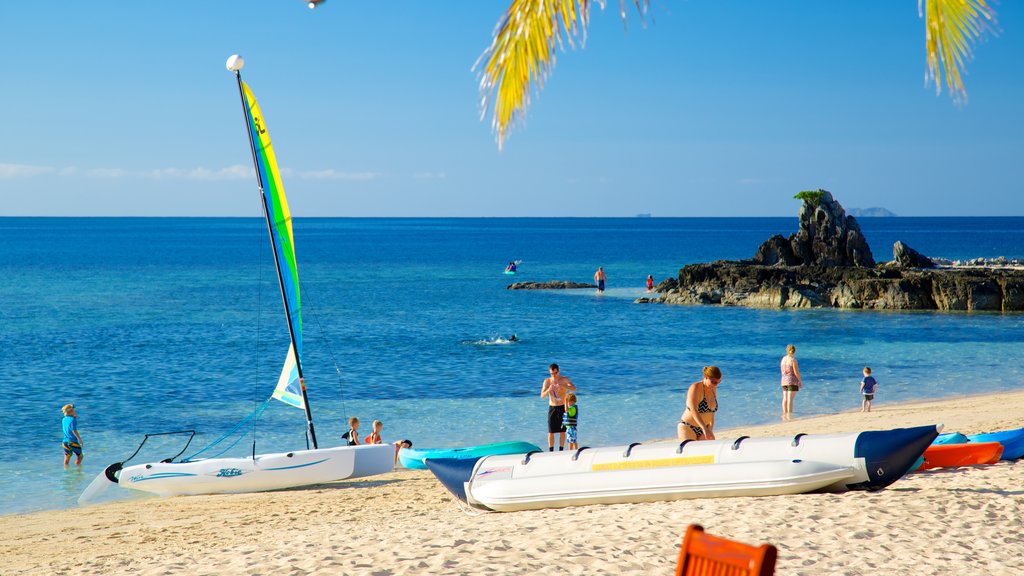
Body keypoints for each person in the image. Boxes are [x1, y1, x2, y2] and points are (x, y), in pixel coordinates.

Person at [677, 366, 720, 441]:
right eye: (713, 382)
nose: (716, 385)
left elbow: (712, 412)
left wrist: (710, 428)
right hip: (688, 427)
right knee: (691, 451)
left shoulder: (713, 388)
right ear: (706, 377)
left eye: (718, 382)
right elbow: (693, 410)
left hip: (705, 428)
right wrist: (704, 428)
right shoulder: (695, 388)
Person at [540, 363, 576, 451]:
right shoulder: (547, 381)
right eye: (551, 373)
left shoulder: (564, 379)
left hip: (563, 407)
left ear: (558, 371)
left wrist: (563, 386)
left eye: (555, 373)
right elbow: (542, 396)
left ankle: (561, 450)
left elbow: (574, 388)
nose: (553, 375)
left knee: (562, 431)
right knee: (551, 432)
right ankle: (551, 450)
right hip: (552, 407)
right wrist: (549, 390)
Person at [780, 344, 802, 420]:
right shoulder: (793, 360)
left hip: (783, 380)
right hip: (792, 381)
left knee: (784, 398)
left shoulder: (783, 359)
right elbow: (796, 372)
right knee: (790, 399)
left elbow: (782, 371)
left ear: (787, 350)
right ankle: (789, 415)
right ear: (794, 351)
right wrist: (800, 381)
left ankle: (784, 414)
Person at [61, 404, 83, 468]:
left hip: (65, 441)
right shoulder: (73, 419)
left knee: (67, 457)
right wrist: (79, 439)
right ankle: (78, 470)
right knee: (80, 456)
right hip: (72, 441)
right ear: (71, 411)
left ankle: (66, 470)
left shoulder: (64, 419)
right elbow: (74, 430)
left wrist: (73, 416)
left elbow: (67, 427)